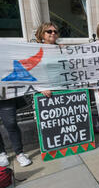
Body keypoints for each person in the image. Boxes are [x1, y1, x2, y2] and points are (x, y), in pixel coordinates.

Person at [0, 22, 59, 167]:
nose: (53, 33)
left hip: (5, 92)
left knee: (11, 123)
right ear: (42, 34)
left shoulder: (6, 46)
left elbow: (29, 70)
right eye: (49, 31)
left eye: (55, 31)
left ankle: (19, 153)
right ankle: (2, 153)